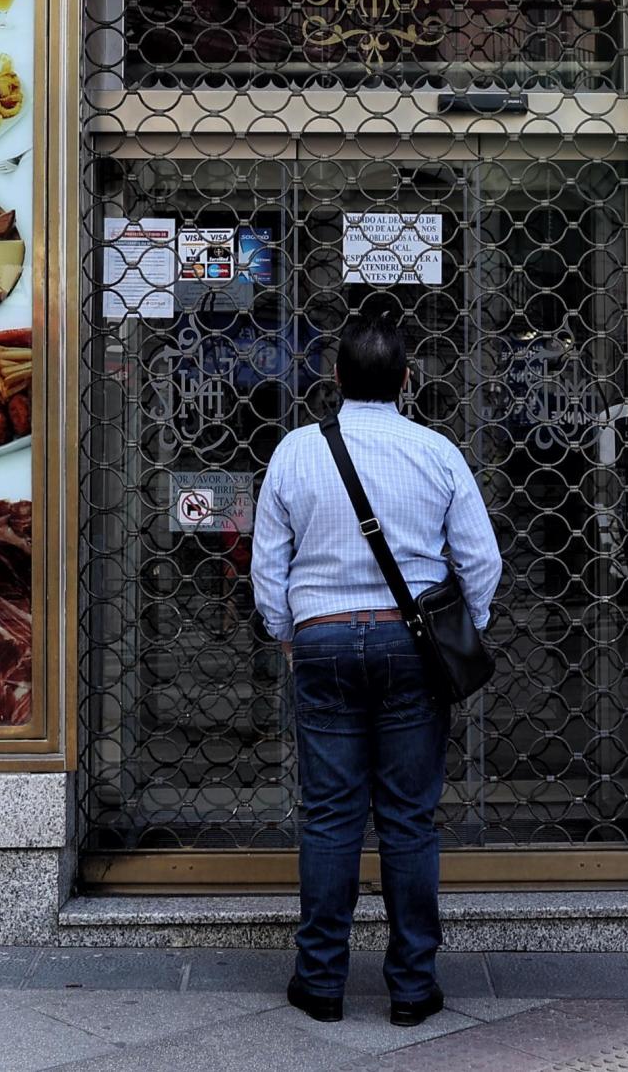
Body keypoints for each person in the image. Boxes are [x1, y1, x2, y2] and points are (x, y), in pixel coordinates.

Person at [251, 314, 502, 1027]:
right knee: (409, 821)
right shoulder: (436, 450)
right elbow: (481, 561)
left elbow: (268, 564)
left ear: (334, 380)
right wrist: (462, 633)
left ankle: (321, 981)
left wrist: (287, 632)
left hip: (323, 640)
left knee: (329, 816)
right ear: (406, 380)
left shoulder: (297, 452)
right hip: (409, 647)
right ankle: (413, 987)